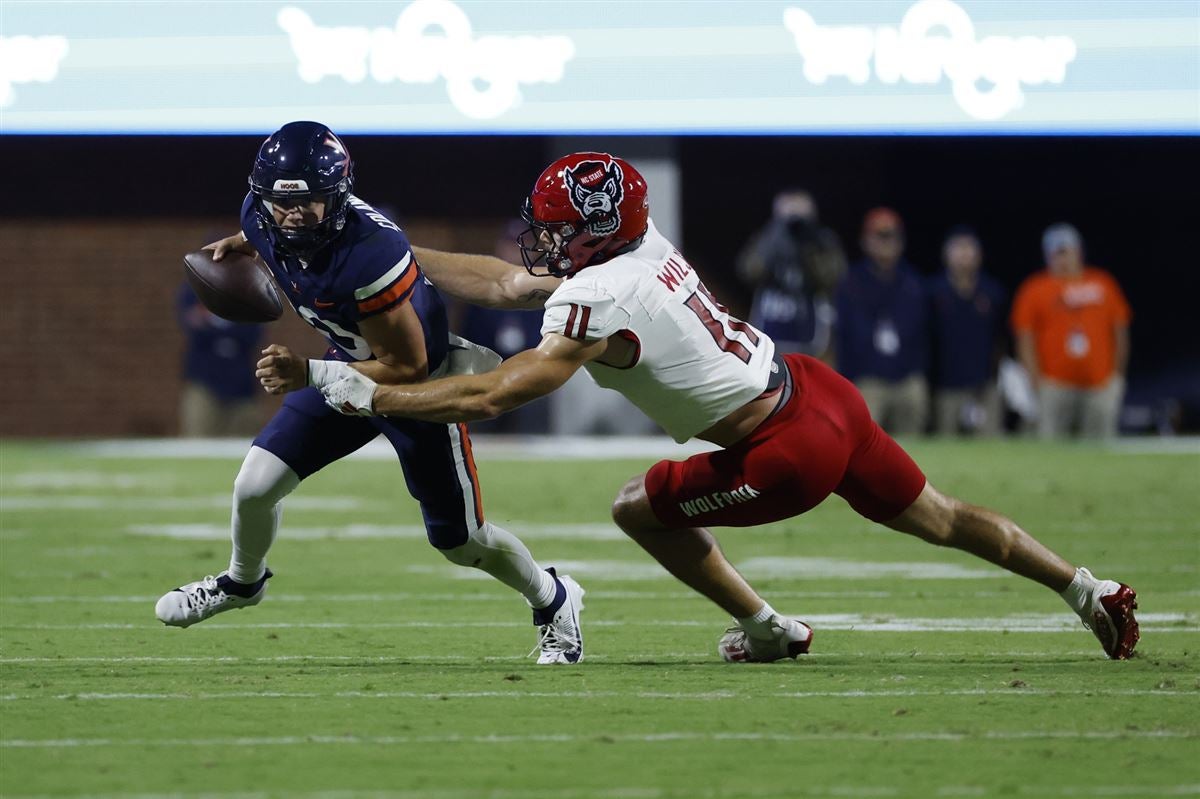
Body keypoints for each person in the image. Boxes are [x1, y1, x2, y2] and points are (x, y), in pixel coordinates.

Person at [312, 152, 1139, 662]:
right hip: (821, 393)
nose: (542, 240)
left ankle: (769, 627)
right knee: (942, 515)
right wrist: (388, 254)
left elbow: (496, 393)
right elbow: (504, 282)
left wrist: (379, 394)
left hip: (785, 449)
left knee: (638, 508)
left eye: (557, 227)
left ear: (595, 234)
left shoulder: (603, 290)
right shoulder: (638, 249)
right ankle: (1086, 589)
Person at [154, 121, 586, 664]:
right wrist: (244, 243)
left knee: (461, 541)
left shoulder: (367, 255)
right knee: (254, 485)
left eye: (310, 204)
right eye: (280, 205)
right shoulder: (260, 214)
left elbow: (407, 366)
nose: (292, 217)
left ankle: (554, 598)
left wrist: (307, 373)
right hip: (349, 368)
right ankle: (243, 583)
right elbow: (266, 226)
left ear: (337, 196)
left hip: (419, 390)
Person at [1011, 223, 1132, 439]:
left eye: (1067, 252)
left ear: (1079, 251)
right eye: (1056, 254)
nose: (1062, 259)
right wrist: (1036, 381)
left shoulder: (1102, 283)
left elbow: (1120, 331)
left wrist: (1117, 377)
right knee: (1050, 449)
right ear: (1047, 256)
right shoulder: (1035, 288)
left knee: (1101, 449)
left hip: (1100, 384)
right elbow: (1025, 338)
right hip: (1054, 385)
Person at [835, 208, 930, 435]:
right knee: (865, 441)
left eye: (891, 236)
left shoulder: (913, 282)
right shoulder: (850, 282)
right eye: (880, 236)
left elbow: (924, 334)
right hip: (868, 378)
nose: (886, 242)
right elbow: (843, 335)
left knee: (914, 437)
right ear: (866, 241)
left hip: (907, 376)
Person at [735, 189, 845, 362]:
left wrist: (811, 247)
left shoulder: (822, 241)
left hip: (812, 337)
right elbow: (748, 271)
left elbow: (834, 278)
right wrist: (773, 239)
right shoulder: (767, 239)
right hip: (772, 334)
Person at [927, 227, 1007, 436]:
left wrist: (996, 377)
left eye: (969, 248)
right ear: (946, 254)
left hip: (984, 387)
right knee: (946, 442)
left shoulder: (992, 292)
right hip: (946, 387)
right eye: (958, 248)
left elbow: (1001, 339)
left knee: (989, 445)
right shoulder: (933, 293)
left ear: (979, 255)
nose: (964, 254)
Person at [176, 281, 264, 437]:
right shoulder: (195, 286)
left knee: (247, 445)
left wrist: (212, 323)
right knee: (198, 441)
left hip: (242, 386)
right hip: (204, 382)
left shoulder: (250, 287)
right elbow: (193, 326)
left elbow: (253, 332)